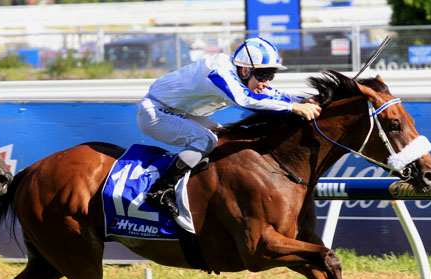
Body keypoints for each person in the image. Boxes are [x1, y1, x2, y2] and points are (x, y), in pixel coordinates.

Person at [137, 37, 321, 217]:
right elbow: (246, 100)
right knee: (206, 140)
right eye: (263, 75)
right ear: (245, 71)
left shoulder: (241, 73)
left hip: (178, 111)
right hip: (155, 112)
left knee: (222, 137)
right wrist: (294, 107)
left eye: (271, 75)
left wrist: (300, 100)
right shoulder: (218, 71)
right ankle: (160, 190)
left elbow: (269, 93)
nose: (267, 82)